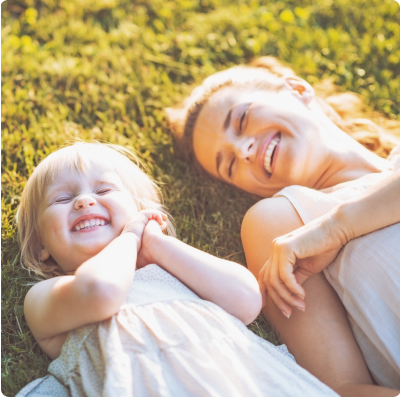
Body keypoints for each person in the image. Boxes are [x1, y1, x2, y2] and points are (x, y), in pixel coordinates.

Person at [15, 141, 337, 397]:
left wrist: (156, 245)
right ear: (42, 245)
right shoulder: (49, 295)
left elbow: (247, 299)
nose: (84, 201)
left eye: (102, 191)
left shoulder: (175, 269)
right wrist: (129, 237)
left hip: (241, 380)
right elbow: (102, 291)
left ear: (141, 212)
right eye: (61, 199)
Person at [167, 56, 400, 395]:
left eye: (242, 118)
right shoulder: (284, 223)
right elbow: (343, 387)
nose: (243, 148)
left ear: (297, 89)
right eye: (230, 164)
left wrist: (340, 227)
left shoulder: (325, 225)